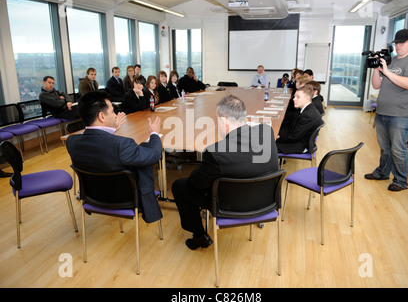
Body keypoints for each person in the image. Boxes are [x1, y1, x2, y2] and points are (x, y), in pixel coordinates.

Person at [171, 95, 278, 250]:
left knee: (180, 186)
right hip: (267, 201)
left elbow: (195, 184)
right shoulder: (267, 132)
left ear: (224, 120)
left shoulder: (215, 153)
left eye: (216, 119)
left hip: (230, 206)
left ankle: (199, 236)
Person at [66, 91, 163, 223]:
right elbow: (153, 155)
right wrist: (155, 133)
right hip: (126, 200)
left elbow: (101, 147)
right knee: (146, 148)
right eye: (112, 112)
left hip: (93, 198)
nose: (115, 115)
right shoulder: (122, 145)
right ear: (102, 116)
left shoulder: (72, 142)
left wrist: (111, 130)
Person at [364, 28, 408, 192]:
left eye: (402, 43)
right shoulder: (390, 61)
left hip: (401, 114)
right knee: (385, 148)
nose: (398, 46)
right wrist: (378, 70)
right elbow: (376, 85)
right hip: (383, 111)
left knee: (398, 149)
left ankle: (400, 181)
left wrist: (387, 71)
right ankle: (382, 172)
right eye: (396, 43)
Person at [276, 86, 323, 154]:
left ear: (307, 99)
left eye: (298, 97)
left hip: (301, 145)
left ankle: (272, 162)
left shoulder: (307, 115)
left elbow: (293, 137)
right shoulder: (308, 109)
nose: (294, 99)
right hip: (299, 139)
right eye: (294, 97)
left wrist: (278, 137)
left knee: (267, 146)